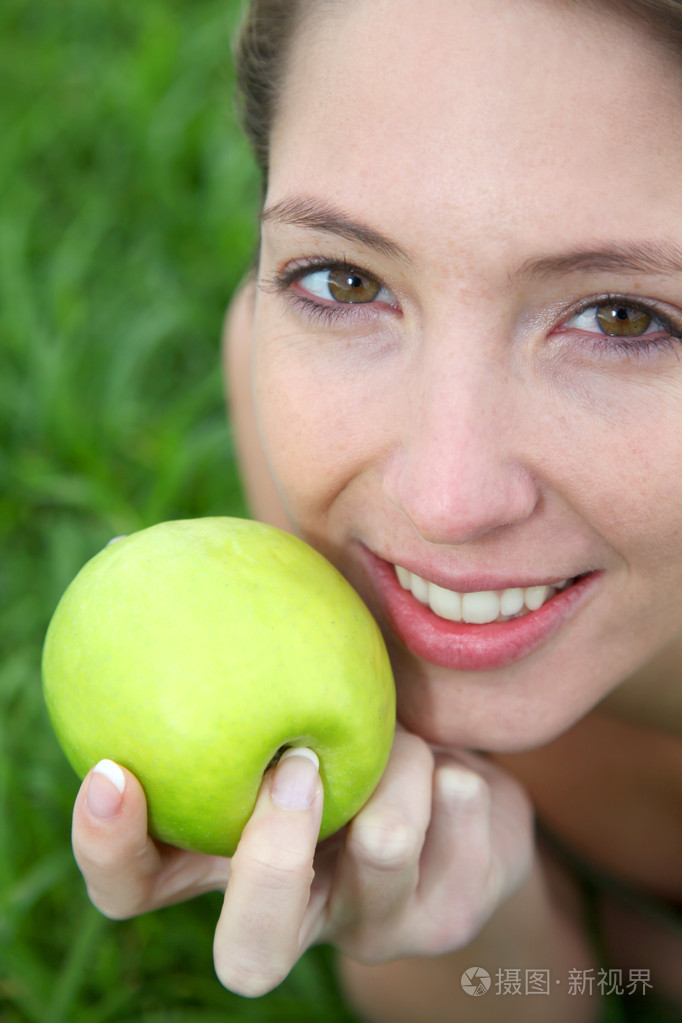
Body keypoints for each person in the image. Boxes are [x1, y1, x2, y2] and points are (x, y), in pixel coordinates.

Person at [70, 1, 682, 1020]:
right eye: (343, 280)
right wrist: (450, 913)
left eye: (623, 317)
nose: (442, 501)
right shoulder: (276, 389)